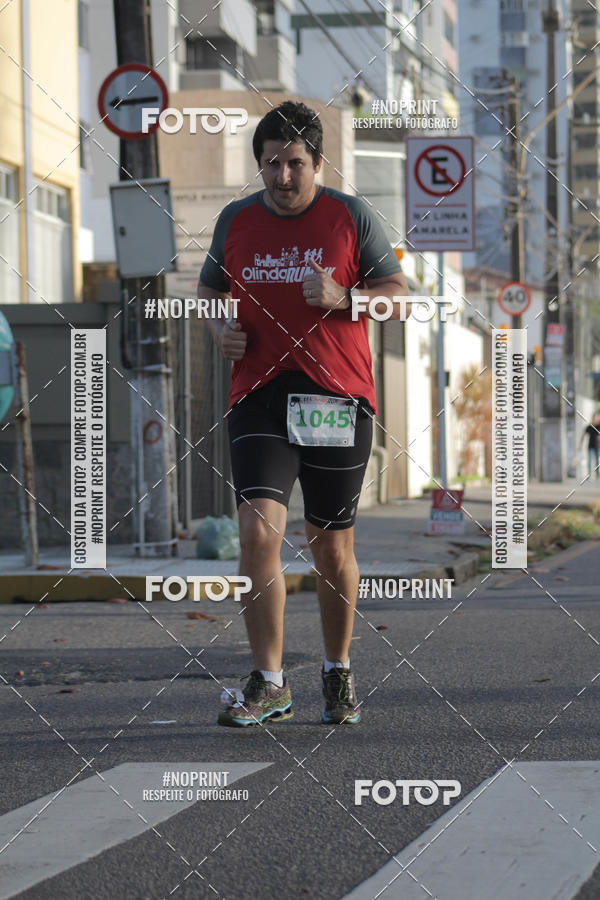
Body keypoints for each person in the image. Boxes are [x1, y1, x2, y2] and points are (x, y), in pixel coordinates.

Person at [198, 100, 410, 728]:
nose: (282, 176)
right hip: (259, 394)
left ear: (318, 162)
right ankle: (269, 681)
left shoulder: (351, 216)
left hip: (334, 398)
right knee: (257, 533)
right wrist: (219, 329)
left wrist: (348, 298)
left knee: (331, 546)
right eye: (271, 164)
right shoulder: (236, 220)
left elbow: (400, 300)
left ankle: (337, 669)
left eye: (294, 163)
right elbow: (209, 289)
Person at [580, 413, 600, 478]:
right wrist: (580, 445)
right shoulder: (589, 427)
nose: (596, 419)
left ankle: (598, 474)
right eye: (595, 418)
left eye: (597, 418)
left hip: (598, 446)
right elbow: (583, 435)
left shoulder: (599, 426)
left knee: (597, 461)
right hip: (590, 446)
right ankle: (589, 474)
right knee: (589, 461)